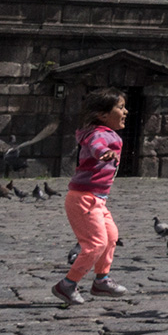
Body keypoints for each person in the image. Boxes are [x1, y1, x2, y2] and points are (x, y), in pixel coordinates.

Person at [53, 88, 130, 306]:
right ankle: (67, 285)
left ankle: (101, 280)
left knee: (111, 237)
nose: (126, 111)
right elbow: (96, 146)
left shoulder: (108, 133)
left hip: (97, 199)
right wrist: (103, 153)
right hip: (84, 199)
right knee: (95, 243)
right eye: (121, 107)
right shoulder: (98, 134)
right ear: (103, 115)